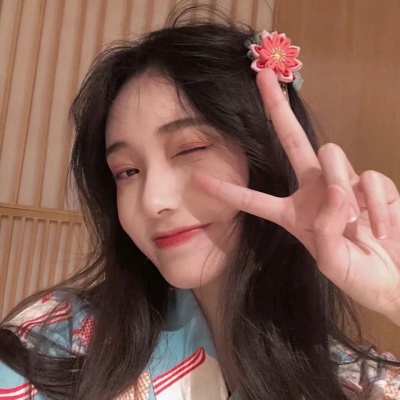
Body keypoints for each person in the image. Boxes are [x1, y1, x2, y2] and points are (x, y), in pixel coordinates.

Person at [1, 4, 400, 400]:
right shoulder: (53, 345)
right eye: (127, 171)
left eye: (190, 148)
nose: (153, 201)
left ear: (268, 156)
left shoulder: (356, 383)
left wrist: (395, 298)